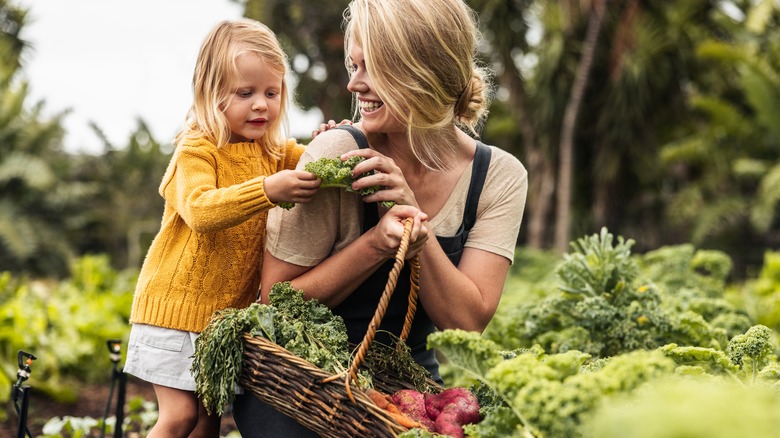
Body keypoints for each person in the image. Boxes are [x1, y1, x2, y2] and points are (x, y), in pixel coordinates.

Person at [232, 0, 528, 435]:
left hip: (402, 391)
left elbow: (465, 323)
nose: (354, 84)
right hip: (300, 386)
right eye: (353, 65)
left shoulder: (497, 176)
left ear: (421, 70)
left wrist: (411, 223)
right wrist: (375, 245)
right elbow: (275, 305)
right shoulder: (336, 153)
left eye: (371, 68)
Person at [123, 19, 321, 438]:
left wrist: (331, 139)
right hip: (173, 312)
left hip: (219, 323)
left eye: (271, 92)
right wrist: (268, 190)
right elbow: (200, 210)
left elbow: (317, 163)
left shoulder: (273, 152)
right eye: (245, 93)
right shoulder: (196, 149)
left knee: (208, 423)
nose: (261, 105)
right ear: (211, 95)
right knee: (179, 418)